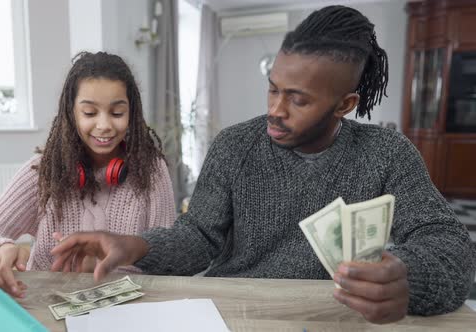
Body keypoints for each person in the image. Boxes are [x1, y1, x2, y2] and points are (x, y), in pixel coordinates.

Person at [49, 6, 476, 324]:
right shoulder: (234, 146)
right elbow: (199, 237)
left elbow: (451, 248)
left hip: (337, 316)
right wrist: (136, 246)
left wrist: (407, 275)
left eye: (298, 99)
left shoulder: (387, 154)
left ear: (344, 105)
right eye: (273, 89)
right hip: (238, 311)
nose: (275, 109)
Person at [0, 51, 176, 298]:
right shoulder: (40, 173)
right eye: (90, 113)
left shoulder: (151, 172)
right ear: (71, 113)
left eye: (116, 113)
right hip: (47, 305)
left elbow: (168, 261)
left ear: (131, 114)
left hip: (126, 309)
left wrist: (108, 265)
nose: (104, 125)